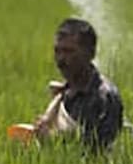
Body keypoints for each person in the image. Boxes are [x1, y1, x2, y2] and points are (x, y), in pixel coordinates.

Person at [33, 18, 124, 152]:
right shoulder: (62, 93)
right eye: (57, 51)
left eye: (69, 51)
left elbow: (99, 152)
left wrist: (52, 140)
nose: (60, 60)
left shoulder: (104, 97)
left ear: (90, 54)